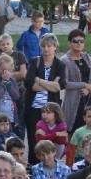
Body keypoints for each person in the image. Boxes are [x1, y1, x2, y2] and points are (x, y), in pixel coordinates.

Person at [24, 34, 66, 164]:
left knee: (50, 139)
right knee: (34, 139)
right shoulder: (34, 62)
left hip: (51, 108)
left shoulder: (60, 65)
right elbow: (29, 83)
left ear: (55, 47)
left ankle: (50, 164)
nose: (46, 49)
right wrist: (50, 84)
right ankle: (33, 165)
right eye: (43, 46)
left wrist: (39, 80)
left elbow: (59, 86)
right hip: (33, 107)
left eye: (49, 46)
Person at [61, 29, 91, 136]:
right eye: (75, 41)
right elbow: (65, 83)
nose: (79, 43)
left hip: (87, 97)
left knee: (88, 130)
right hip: (73, 100)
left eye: (81, 41)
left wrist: (88, 89)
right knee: (72, 131)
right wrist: (84, 84)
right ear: (69, 43)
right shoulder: (65, 60)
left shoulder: (86, 57)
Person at [0, 33, 29, 139]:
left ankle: (20, 140)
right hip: (5, 92)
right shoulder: (0, 58)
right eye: (3, 44)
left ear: (12, 44)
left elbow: (23, 73)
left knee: (19, 119)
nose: (5, 46)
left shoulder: (19, 55)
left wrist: (8, 76)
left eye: (7, 44)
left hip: (19, 89)